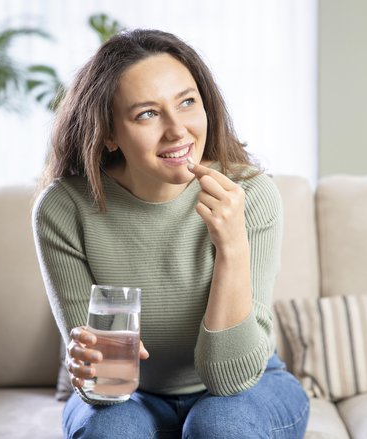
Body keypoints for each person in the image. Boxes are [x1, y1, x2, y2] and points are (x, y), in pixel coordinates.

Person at [32, 29, 309, 438]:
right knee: (112, 432)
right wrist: (89, 368)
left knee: (219, 425)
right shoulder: (65, 209)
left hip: (252, 384)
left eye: (187, 102)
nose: (178, 130)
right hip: (135, 394)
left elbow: (230, 381)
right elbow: (104, 388)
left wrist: (231, 244)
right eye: (147, 113)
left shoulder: (249, 194)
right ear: (109, 133)